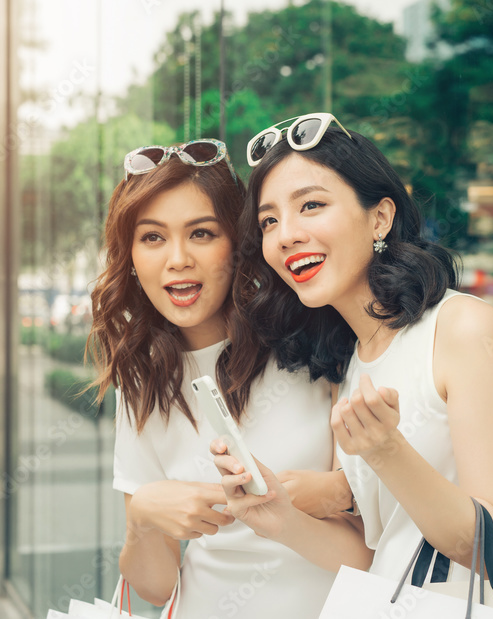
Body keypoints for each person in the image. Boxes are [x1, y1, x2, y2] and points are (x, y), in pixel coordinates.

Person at [213, 114, 493, 582]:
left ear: (380, 217)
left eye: (311, 206)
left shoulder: (462, 329)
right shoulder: (351, 365)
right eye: (269, 220)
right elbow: (377, 557)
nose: (286, 235)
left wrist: (387, 451)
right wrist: (282, 520)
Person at [88, 138, 343, 618]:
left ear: (238, 243)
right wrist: (142, 519)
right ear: (132, 256)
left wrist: (335, 491)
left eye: (201, 233)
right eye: (153, 237)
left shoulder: (311, 343)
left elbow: (379, 523)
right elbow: (156, 588)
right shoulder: (145, 380)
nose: (178, 258)